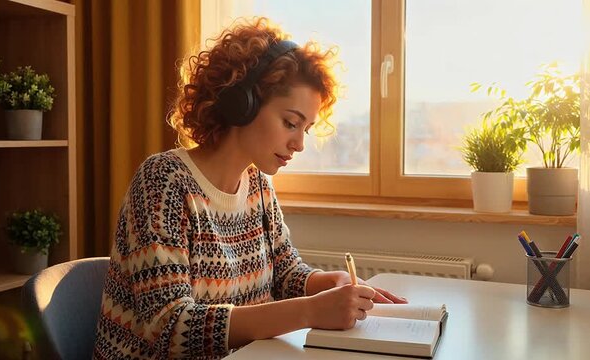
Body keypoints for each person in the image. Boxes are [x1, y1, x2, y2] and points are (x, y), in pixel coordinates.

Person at [93, 17, 407, 360]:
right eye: (290, 123)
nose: (299, 144)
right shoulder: (162, 182)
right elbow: (171, 327)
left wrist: (328, 283)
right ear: (242, 103)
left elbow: (285, 274)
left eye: (307, 129)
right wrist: (310, 311)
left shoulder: (258, 186)